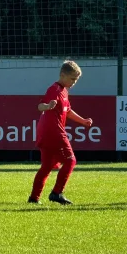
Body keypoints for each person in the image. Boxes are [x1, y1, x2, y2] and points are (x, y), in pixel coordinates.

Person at [28, 61, 92, 205]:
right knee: (71, 160)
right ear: (62, 75)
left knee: (47, 166)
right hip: (54, 131)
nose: (74, 82)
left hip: (45, 132)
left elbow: (67, 111)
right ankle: (57, 193)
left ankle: (34, 198)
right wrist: (48, 106)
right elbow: (40, 106)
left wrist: (83, 121)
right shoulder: (54, 89)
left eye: (76, 80)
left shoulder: (63, 90)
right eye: (72, 79)